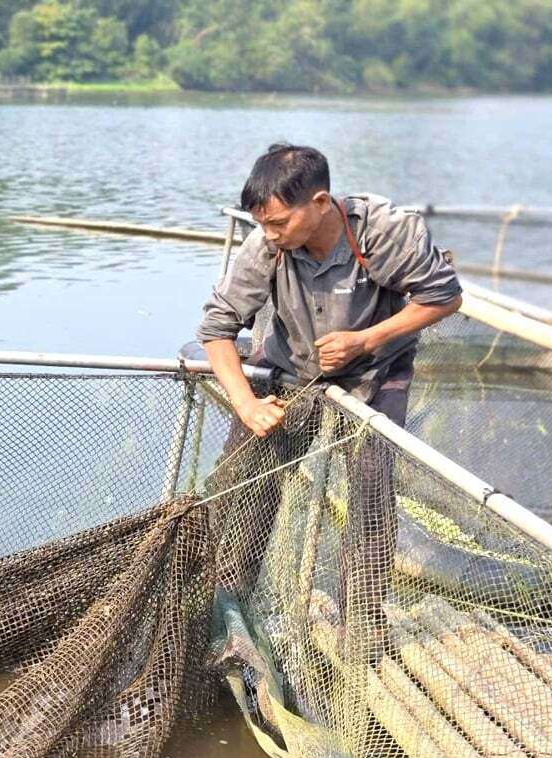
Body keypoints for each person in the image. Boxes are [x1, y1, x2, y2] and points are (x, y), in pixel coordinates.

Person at [196, 143, 463, 659]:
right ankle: (226, 612)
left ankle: (359, 629)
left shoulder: (386, 230)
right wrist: (248, 404)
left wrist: (366, 340)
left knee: (370, 497)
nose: (269, 235)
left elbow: (444, 297)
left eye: (277, 223)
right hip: (289, 373)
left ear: (320, 203)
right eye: (262, 224)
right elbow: (216, 328)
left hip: (374, 374)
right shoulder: (267, 247)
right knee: (245, 492)